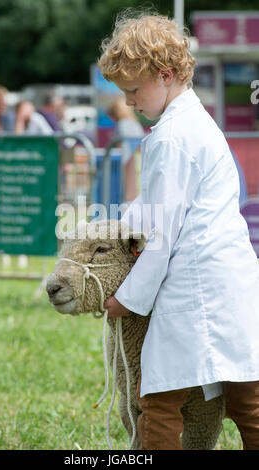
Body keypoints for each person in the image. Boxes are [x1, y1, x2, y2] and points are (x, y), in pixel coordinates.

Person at [98, 11, 259, 450]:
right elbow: (154, 209)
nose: (129, 102)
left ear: (165, 75)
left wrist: (125, 300)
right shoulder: (196, 125)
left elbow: (160, 236)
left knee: (159, 399)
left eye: (133, 90)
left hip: (196, 285)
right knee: (248, 399)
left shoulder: (172, 137)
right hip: (231, 280)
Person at [108, 95, 145, 202]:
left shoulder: (122, 124)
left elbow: (122, 147)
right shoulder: (134, 123)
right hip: (138, 160)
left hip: (127, 162)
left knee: (127, 193)